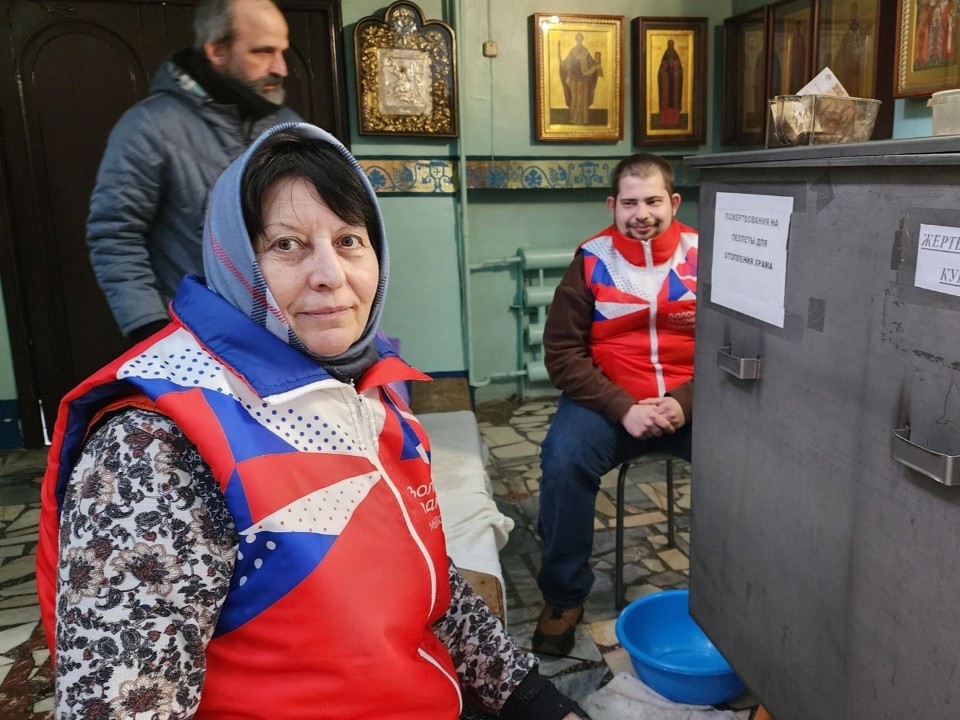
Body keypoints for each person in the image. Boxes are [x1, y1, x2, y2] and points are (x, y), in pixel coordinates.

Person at [37, 122, 586, 720]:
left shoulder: (362, 386)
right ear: (232, 257)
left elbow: (427, 583)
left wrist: (531, 697)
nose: (330, 274)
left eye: (350, 240)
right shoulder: (155, 446)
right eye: (287, 245)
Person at [532, 153, 698, 656]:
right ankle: (563, 596)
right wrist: (622, 406)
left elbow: (738, 343)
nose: (641, 213)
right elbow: (561, 353)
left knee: (751, 463)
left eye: (652, 200)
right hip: (610, 401)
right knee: (562, 461)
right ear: (612, 204)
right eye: (629, 202)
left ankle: (737, 590)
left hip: (693, 399)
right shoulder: (591, 258)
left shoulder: (707, 253)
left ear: (673, 201)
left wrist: (685, 402)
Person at [86, 0, 300, 342]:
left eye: (282, 51)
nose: (281, 68)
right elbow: (115, 235)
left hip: (285, 338)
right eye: (263, 52)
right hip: (196, 340)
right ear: (216, 51)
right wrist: (151, 330)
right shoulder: (149, 127)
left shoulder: (289, 126)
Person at [559, 32, 603, 125]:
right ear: (576, 39)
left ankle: (584, 120)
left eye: (580, 38)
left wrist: (596, 65)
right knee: (574, 97)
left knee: (584, 98)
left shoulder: (585, 51)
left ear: (582, 39)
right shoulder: (573, 51)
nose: (579, 40)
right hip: (573, 79)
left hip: (585, 79)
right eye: (577, 38)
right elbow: (567, 64)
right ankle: (573, 119)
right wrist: (561, 60)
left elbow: (591, 63)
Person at [656, 39, 683, 128]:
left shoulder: (676, 56)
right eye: (669, 44)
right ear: (668, 45)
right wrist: (664, 69)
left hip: (674, 85)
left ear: (673, 45)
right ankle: (664, 121)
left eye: (671, 44)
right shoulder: (665, 57)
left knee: (674, 102)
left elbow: (680, 71)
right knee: (665, 102)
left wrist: (676, 71)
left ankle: (675, 122)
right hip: (666, 84)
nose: (670, 46)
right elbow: (660, 71)